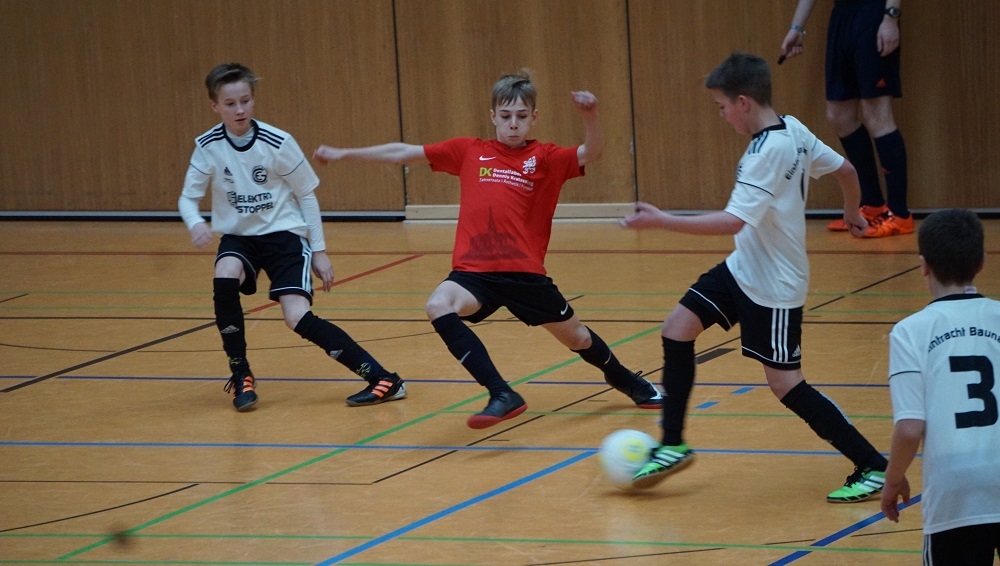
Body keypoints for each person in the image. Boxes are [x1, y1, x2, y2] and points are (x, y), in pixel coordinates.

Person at [313, 69, 661, 429]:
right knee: (438, 305)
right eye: (506, 116)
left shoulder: (545, 157)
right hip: (474, 273)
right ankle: (501, 393)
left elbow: (592, 152)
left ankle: (623, 378)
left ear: (534, 117)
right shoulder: (469, 151)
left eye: (522, 117)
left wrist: (591, 117)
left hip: (524, 275)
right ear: (493, 116)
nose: (513, 124)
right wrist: (345, 154)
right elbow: (403, 152)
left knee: (579, 338)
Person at [619, 52, 889, 503]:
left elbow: (732, 221)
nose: (722, 115)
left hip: (774, 286)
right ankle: (672, 444)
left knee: (786, 384)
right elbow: (846, 171)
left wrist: (662, 221)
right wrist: (852, 211)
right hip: (743, 268)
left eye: (722, 106)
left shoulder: (767, 152)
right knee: (677, 329)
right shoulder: (793, 129)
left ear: (743, 102)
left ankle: (872, 464)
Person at [178, 63, 406, 412]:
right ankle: (241, 374)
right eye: (230, 104)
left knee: (296, 317)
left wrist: (320, 251)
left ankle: (383, 379)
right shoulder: (208, 146)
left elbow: (306, 196)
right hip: (239, 238)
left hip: (283, 236)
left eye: (245, 101)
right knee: (224, 275)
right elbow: (187, 198)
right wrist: (195, 222)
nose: (239, 110)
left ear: (253, 100)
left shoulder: (277, 142)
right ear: (215, 106)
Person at [880, 209, 1000, 564]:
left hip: (954, 490)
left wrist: (893, 480)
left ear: (923, 265)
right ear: (982, 261)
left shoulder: (910, 331)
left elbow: (909, 428)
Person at [779, 0, 912, 238]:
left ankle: (900, 215)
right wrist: (797, 27)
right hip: (842, 15)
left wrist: (890, 16)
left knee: (877, 114)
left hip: (874, 13)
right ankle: (872, 204)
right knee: (839, 115)